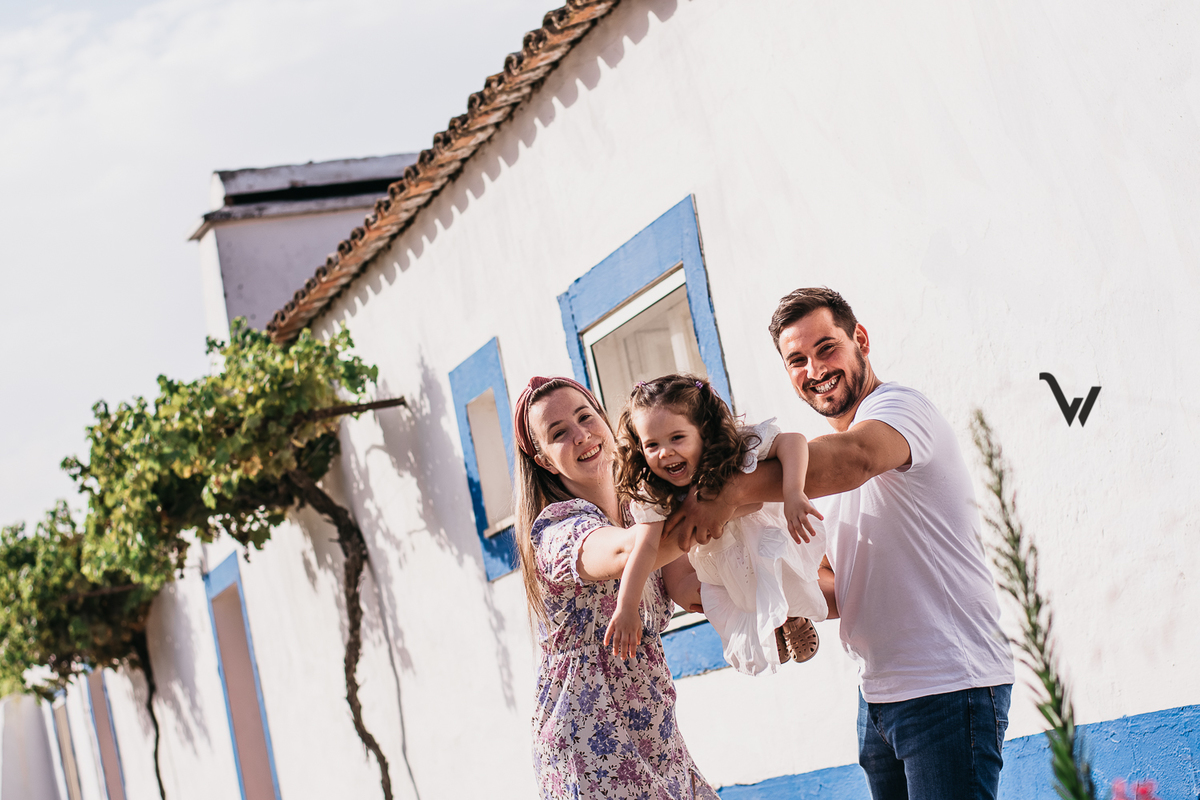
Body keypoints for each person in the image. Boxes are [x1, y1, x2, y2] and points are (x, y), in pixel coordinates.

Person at [665, 288, 1015, 800]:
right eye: (797, 360)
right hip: (878, 696)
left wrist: (726, 493)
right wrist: (770, 597)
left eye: (827, 348)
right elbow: (838, 584)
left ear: (861, 340)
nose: (815, 368)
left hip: (949, 685)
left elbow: (855, 458)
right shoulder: (812, 473)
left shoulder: (898, 408)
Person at [512, 375, 719, 800]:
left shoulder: (641, 507)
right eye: (559, 433)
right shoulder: (555, 529)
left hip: (652, 726)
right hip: (589, 741)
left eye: (585, 417)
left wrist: (770, 601)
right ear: (545, 460)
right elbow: (626, 556)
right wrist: (723, 497)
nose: (581, 434)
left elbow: (690, 588)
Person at [605, 374, 828, 675]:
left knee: (776, 576)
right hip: (716, 561)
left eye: (677, 438)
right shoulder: (652, 490)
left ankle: (792, 618)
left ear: (704, 432)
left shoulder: (735, 447)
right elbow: (643, 549)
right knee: (728, 600)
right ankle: (765, 627)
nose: (665, 452)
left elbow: (791, 442)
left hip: (757, 537)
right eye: (651, 445)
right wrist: (627, 607)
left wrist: (793, 493)